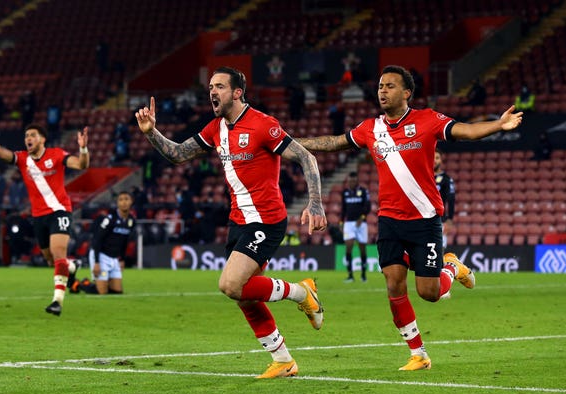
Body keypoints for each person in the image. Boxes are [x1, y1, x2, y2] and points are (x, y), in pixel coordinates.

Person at [295, 65, 523, 371]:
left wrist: (498, 125)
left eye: (390, 86)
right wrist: (291, 144)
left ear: (406, 93)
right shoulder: (369, 128)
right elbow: (335, 142)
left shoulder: (427, 120)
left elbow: (465, 131)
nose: (382, 91)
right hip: (389, 219)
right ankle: (418, 354)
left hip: (424, 219)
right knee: (394, 284)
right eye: (380, 86)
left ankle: (451, 268)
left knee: (429, 293)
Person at [135, 66, 327, 378]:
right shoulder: (215, 128)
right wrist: (150, 133)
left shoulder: (263, 125)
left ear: (237, 92)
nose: (212, 92)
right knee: (245, 295)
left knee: (230, 284)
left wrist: (315, 202)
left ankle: (302, 293)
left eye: (220, 86)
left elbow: (307, 157)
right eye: (211, 86)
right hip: (238, 221)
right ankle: (283, 360)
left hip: (266, 220)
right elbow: (179, 154)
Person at [0, 117, 89, 316]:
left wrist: (84, 149)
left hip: (59, 210)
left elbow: (81, 165)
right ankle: (72, 265)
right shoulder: (22, 159)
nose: (28, 138)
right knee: (50, 260)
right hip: (38, 216)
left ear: (42, 139)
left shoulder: (57, 154)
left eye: (33, 135)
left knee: (58, 253)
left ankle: (57, 301)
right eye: (26, 136)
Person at [70, 191, 135, 295]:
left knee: (117, 292)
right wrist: (96, 262)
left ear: (131, 201)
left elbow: (125, 241)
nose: (124, 202)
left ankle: (98, 283)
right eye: (121, 199)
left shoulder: (131, 221)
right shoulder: (110, 219)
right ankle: (78, 284)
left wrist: (122, 259)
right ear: (117, 203)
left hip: (114, 258)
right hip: (101, 256)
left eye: (126, 199)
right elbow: (97, 239)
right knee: (101, 292)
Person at [341, 171, 371, 283]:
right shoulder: (345, 192)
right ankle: (350, 275)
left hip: (361, 223)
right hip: (349, 224)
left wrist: (361, 218)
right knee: (349, 247)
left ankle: (363, 275)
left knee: (362, 248)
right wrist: (340, 222)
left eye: (353, 181)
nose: (351, 182)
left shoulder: (363, 191)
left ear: (356, 181)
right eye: (350, 181)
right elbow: (343, 209)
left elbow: (367, 206)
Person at [434, 148, 455, 248]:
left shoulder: (446, 179)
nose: (434, 160)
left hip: (439, 220)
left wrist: (449, 219)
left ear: (441, 160)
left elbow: (451, 199)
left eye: (437, 158)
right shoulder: (423, 177)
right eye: (432, 157)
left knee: (439, 250)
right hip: (422, 220)